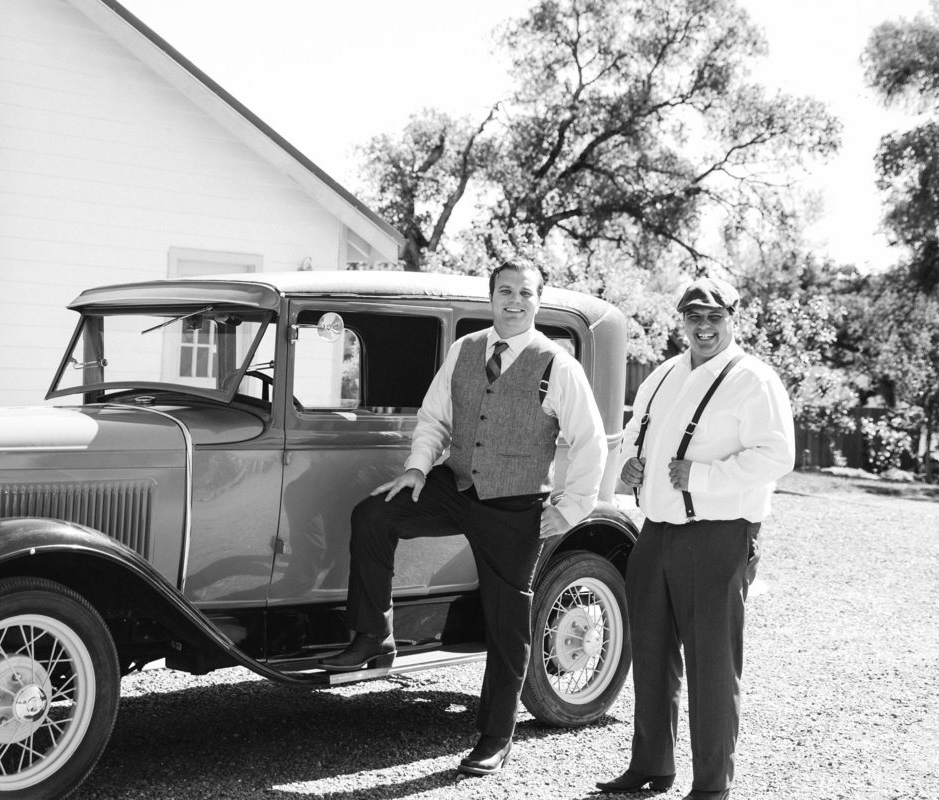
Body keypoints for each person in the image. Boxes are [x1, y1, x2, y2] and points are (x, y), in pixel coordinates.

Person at [320, 262, 608, 776]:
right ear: (491, 297)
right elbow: (435, 417)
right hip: (454, 486)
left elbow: (589, 442)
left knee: (506, 622)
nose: (513, 301)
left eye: (524, 293)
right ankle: (372, 636)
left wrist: (570, 509)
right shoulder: (465, 349)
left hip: (514, 504)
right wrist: (415, 469)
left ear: (538, 301)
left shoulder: (557, 365)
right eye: (504, 291)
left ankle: (495, 736)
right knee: (372, 515)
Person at [596, 277, 794, 800]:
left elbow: (778, 456)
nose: (703, 327)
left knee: (712, 666)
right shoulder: (662, 374)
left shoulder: (754, 379)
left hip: (719, 535)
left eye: (714, 317)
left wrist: (702, 476)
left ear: (733, 318)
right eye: (693, 317)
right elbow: (635, 434)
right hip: (657, 531)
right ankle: (651, 767)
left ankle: (710, 788)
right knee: (653, 654)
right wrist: (630, 466)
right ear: (681, 321)